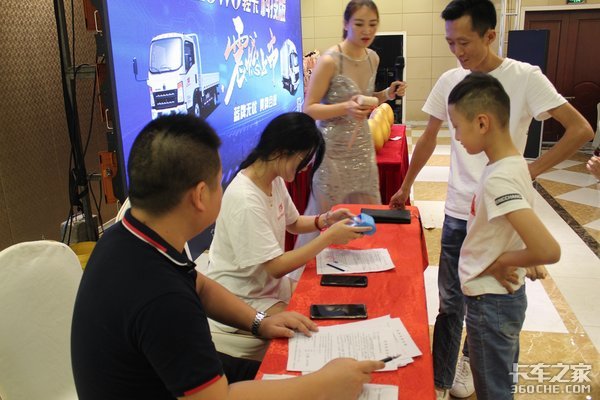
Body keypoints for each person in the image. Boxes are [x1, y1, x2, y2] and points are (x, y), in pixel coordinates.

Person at [71, 114, 384, 400]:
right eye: (219, 181)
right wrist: (324, 386)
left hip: (167, 376)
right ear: (200, 196)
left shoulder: (124, 238)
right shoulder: (163, 298)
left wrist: (260, 323)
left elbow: (199, 285)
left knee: (293, 365)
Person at [387, 1, 593, 398]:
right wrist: (406, 185)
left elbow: (580, 129)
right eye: (450, 43)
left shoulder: (524, 77)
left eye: (464, 42)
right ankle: (441, 378)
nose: (457, 52)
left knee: (490, 305)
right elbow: (427, 137)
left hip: (501, 210)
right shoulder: (451, 80)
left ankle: (473, 364)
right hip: (461, 208)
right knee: (453, 301)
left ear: (490, 35)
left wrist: (529, 172)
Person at [206, 112, 370, 359]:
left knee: (325, 298)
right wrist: (328, 237)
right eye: (302, 161)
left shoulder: (272, 178)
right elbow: (276, 267)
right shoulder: (246, 199)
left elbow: (293, 223)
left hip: (267, 288)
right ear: (281, 151)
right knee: (312, 329)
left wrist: (326, 219)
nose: (304, 169)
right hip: (242, 297)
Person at [448, 72, 561, 399]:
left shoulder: (500, 178)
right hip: (500, 299)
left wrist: (503, 261)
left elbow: (548, 249)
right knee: (500, 381)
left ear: (482, 123)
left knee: (494, 390)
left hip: (491, 301)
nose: (456, 136)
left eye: (457, 126)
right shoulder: (513, 164)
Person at [298, 0, 407, 246]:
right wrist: (345, 108)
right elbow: (309, 109)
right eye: (359, 24)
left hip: (362, 148)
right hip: (332, 151)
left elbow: (367, 98)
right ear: (346, 24)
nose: (367, 31)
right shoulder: (330, 60)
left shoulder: (373, 58)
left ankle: (364, 260)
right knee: (327, 214)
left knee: (367, 213)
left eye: (373, 24)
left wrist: (387, 94)